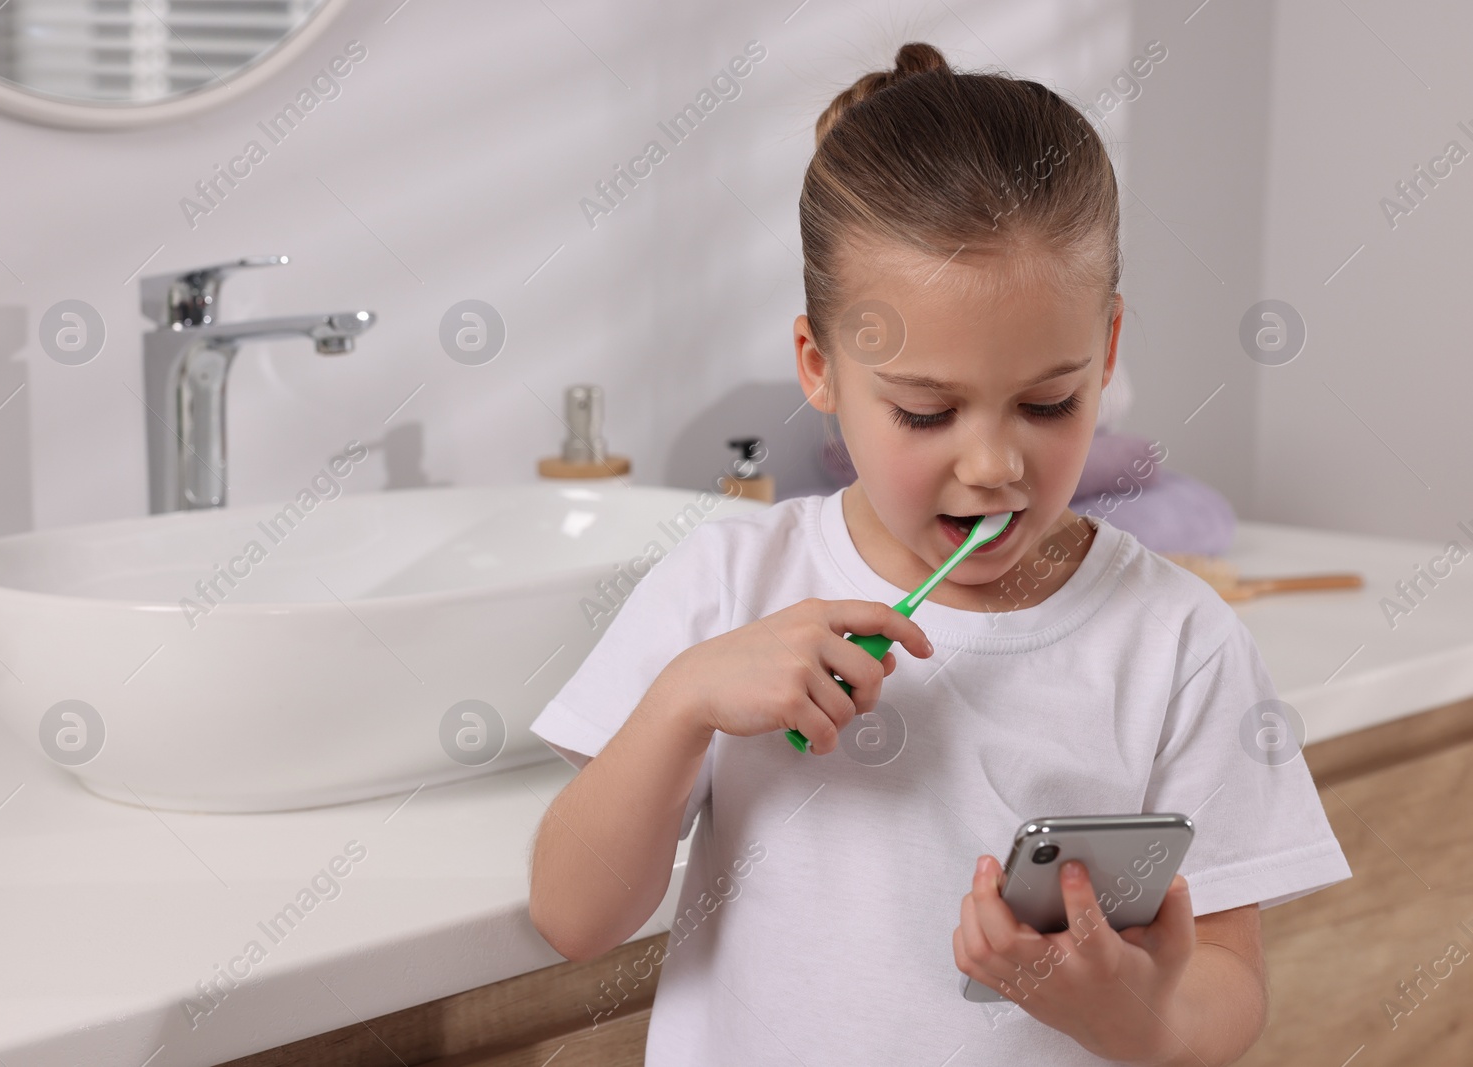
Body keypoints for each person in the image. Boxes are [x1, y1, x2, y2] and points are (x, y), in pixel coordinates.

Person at [527, 41, 1350, 1065]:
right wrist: (681, 699)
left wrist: (1123, 1009)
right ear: (819, 368)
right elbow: (574, 916)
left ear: (1106, 351)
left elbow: (1226, 986)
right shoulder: (729, 585)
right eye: (926, 411)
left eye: (1049, 402)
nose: (995, 462)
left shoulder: (1177, 641)